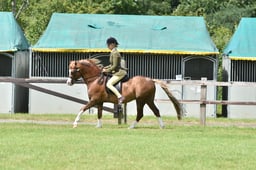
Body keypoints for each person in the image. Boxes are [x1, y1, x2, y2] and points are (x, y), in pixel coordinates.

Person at [103, 37, 127, 105]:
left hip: (119, 73)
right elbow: (112, 64)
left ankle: (120, 97)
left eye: (109, 45)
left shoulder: (115, 53)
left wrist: (106, 70)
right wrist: (104, 67)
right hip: (116, 72)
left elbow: (115, 66)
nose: (108, 46)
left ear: (113, 44)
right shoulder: (113, 52)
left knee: (109, 84)